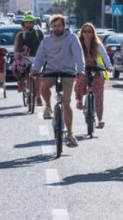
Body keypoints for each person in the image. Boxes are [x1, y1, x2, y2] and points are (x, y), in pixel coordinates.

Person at [31, 14, 85, 148]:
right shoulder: (46, 40)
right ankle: (48, 107)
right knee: (43, 86)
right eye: (54, 26)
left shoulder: (71, 38)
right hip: (51, 71)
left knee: (66, 102)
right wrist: (35, 68)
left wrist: (81, 70)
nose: (56, 28)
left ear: (64, 26)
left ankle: (70, 134)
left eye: (59, 25)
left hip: (68, 72)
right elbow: (39, 57)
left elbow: (79, 54)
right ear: (51, 27)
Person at [74, 22, 112, 130]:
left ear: (93, 33)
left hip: (96, 70)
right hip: (83, 69)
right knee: (80, 81)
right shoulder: (78, 44)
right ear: (81, 33)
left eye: (89, 31)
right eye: (84, 31)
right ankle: (80, 100)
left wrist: (109, 66)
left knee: (99, 94)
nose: (87, 34)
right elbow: (73, 57)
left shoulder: (97, 44)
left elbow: (104, 56)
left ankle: (100, 120)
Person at [12, 15, 43, 102]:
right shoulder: (22, 35)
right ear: (24, 24)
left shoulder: (38, 33)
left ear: (33, 23)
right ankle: (29, 94)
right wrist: (17, 52)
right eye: (27, 23)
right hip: (26, 58)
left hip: (37, 57)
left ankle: (38, 96)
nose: (29, 24)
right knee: (28, 74)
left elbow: (44, 44)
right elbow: (18, 46)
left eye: (30, 23)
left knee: (39, 76)